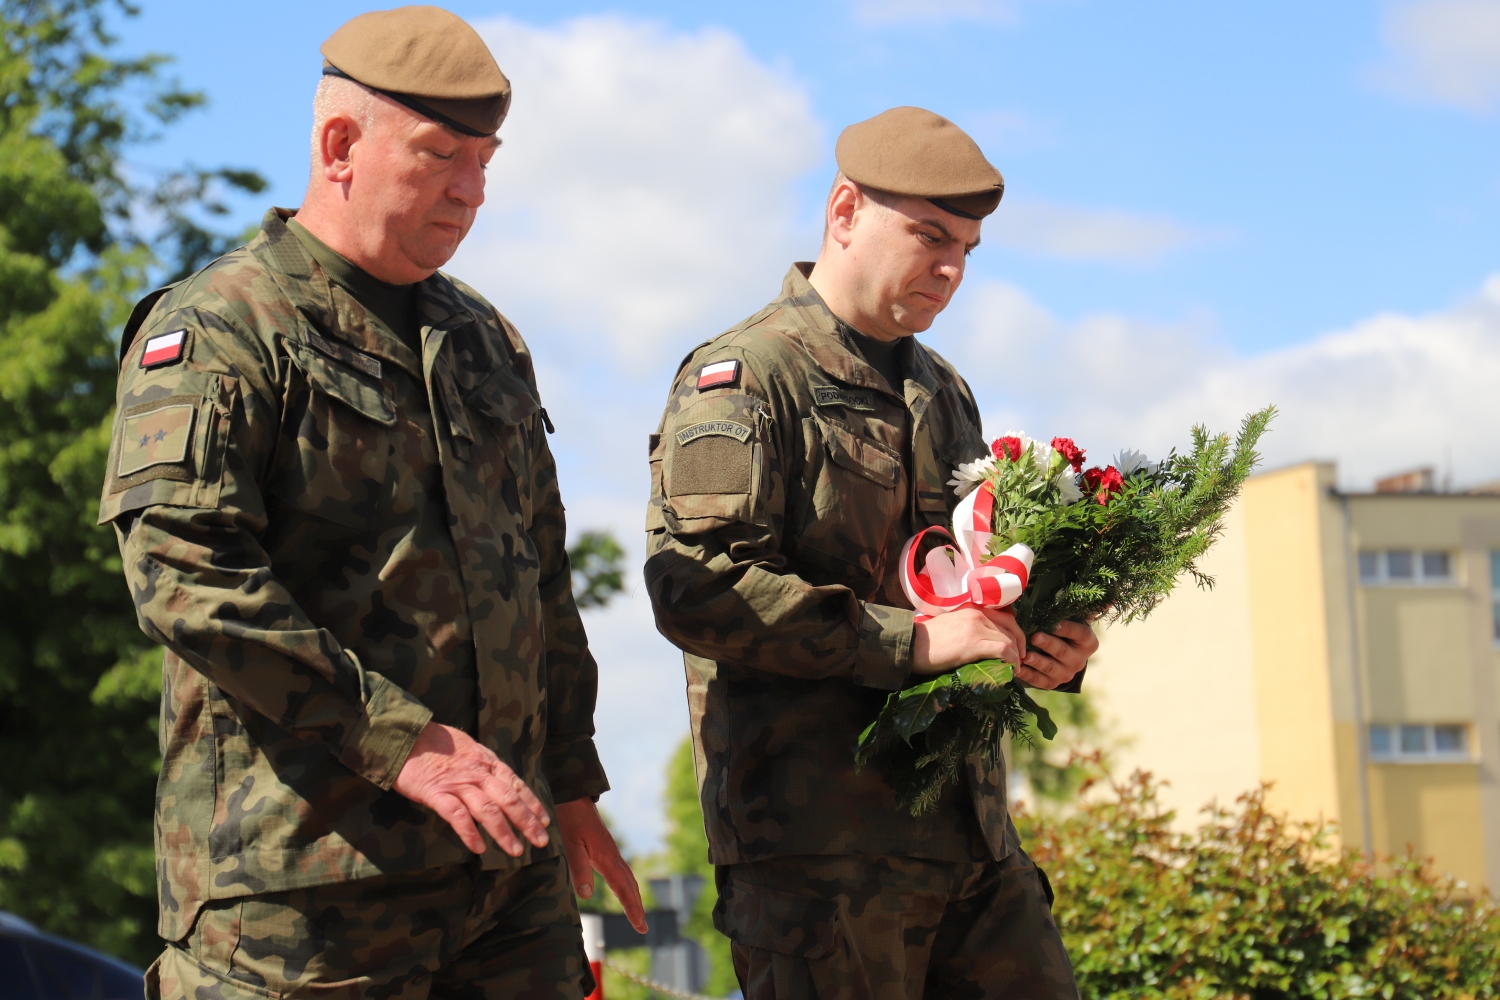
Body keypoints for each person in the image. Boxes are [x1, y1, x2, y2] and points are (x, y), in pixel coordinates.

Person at [99, 8, 643, 998]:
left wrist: (571, 783)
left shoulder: (487, 341)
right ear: (339, 145)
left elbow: (542, 576)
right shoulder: (222, 328)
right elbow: (186, 576)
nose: (472, 191)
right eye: (442, 156)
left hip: (504, 900)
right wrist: (407, 742)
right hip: (302, 898)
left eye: (487, 161)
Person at [644, 106, 1098, 998]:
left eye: (967, 248)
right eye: (930, 236)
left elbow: (968, 579)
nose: (951, 268)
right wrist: (912, 644)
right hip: (819, 856)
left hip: (972, 842)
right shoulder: (746, 375)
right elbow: (697, 588)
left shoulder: (942, 390)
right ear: (845, 211)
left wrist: (1048, 643)